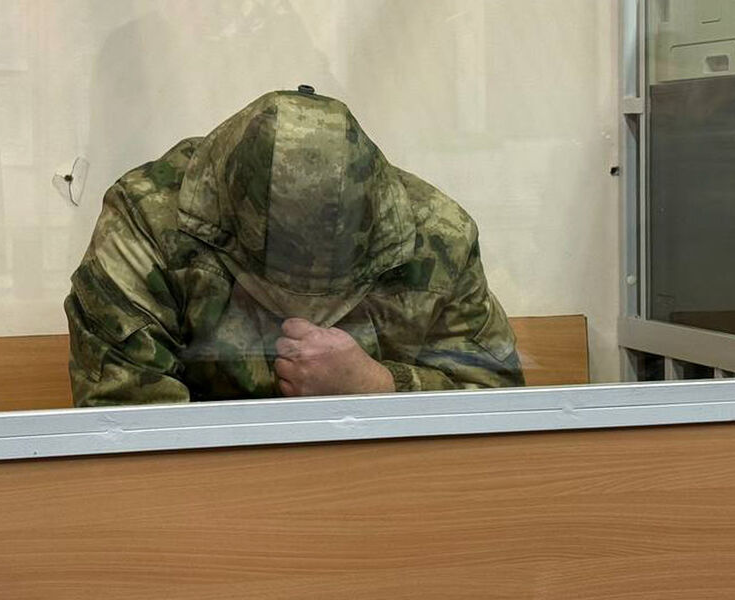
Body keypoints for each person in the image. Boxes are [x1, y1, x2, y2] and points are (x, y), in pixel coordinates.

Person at [65, 87, 524, 406]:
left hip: (391, 484)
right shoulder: (148, 221)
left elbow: (501, 406)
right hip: (202, 491)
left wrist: (380, 385)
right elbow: (126, 420)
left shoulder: (438, 236)